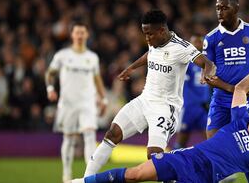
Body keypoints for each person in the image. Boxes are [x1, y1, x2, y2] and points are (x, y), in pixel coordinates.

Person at [68, 51, 249, 183]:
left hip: (206, 177)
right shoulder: (241, 120)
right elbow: (240, 89)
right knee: (135, 175)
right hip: (189, 158)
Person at [82, 9, 217, 178]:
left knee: (154, 158)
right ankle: (85, 180)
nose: (146, 38)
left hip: (165, 108)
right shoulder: (154, 42)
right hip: (144, 100)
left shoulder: (182, 47)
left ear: (162, 30)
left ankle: (184, 174)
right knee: (112, 134)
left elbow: (208, 63)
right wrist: (131, 67)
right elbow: (151, 54)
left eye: (149, 34)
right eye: (144, 33)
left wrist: (207, 72)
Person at [203, 0, 249, 182]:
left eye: (225, 7)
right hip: (221, 98)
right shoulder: (211, 38)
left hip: (247, 99)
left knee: (245, 142)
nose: (220, 12)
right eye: (217, 8)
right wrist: (233, 89)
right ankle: (224, 176)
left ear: (236, 8)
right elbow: (208, 74)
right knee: (212, 140)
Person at [45, 22, 108, 183]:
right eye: (77, 33)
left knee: (89, 135)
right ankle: (66, 174)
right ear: (72, 35)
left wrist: (104, 99)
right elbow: (50, 73)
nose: (80, 36)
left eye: (82, 33)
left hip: (87, 102)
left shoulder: (92, 58)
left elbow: (97, 79)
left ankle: (89, 176)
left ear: (87, 35)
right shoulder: (62, 56)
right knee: (69, 139)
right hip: (68, 103)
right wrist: (50, 88)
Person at [173, 35, 211, 149]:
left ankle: (216, 163)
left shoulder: (208, 62)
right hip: (189, 106)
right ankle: (172, 163)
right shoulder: (187, 62)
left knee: (210, 139)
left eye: (199, 41)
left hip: (203, 107)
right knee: (181, 140)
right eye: (194, 42)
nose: (197, 44)